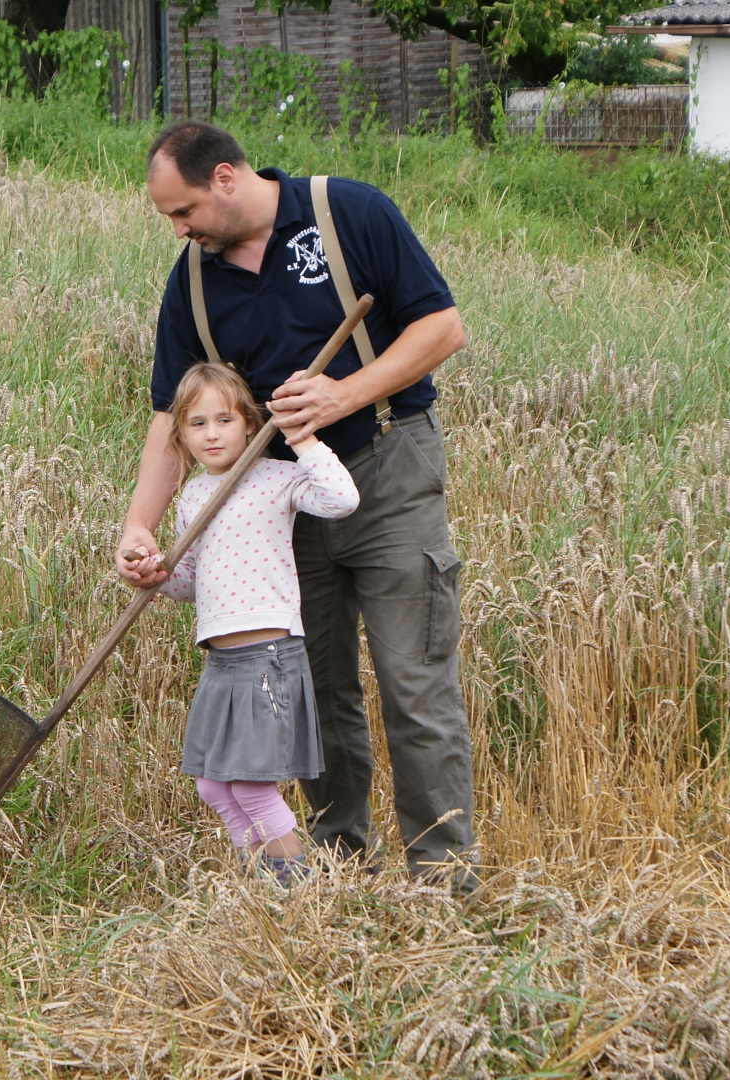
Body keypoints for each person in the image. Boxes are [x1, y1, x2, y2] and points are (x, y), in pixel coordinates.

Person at [117, 121, 481, 893]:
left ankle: (444, 881)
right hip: (279, 504)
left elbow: (443, 327)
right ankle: (342, 867)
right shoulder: (192, 284)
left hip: (387, 467)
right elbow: (168, 420)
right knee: (316, 689)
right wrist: (139, 526)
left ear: (224, 178)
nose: (178, 230)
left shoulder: (348, 212)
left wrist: (344, 394)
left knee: (414, 684)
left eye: (183, 211)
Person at [132, 362, 358, 884]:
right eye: (197, 424)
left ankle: (295, 885)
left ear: (251, 425)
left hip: (268, 657)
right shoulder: (193, 496)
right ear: (181, 436)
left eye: (224, 420)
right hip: (222, 660)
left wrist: (302, 438)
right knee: (213, 784)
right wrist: (155, 575)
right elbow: (190, 582)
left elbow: (342, 500)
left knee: (253, 786)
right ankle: (257, 876)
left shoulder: (276, 478)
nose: (212, 434)